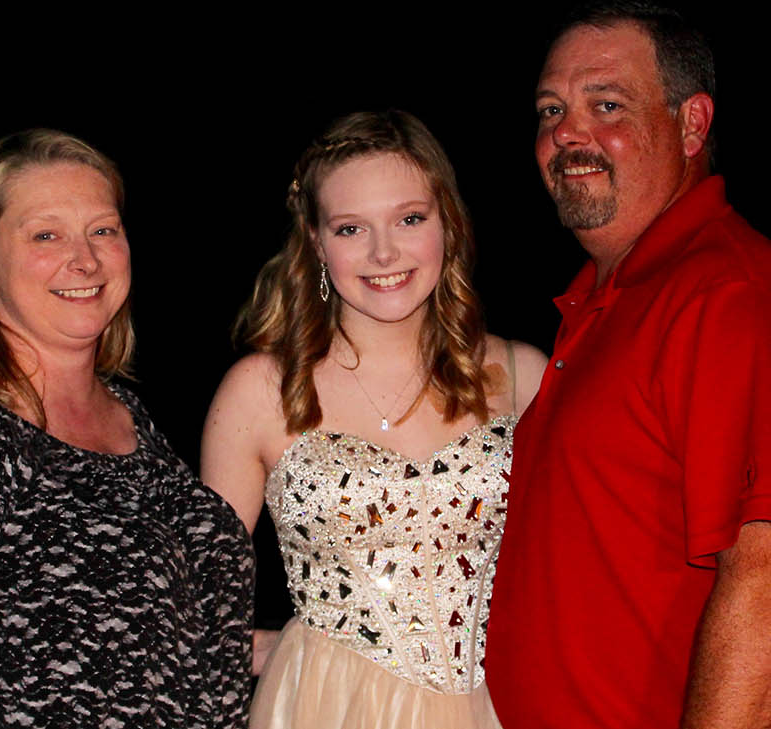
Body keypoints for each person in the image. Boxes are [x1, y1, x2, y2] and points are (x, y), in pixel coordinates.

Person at [484, 4, 771, 729]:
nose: (567, 130)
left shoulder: (734, 296)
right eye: (551, 109)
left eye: (607, 104)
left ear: (692, 125)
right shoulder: (601, 308)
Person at [0, 129, 254, 729]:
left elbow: (167, 644)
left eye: (103, 230)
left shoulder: (132, 420)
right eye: (46, 234)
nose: (84, 259)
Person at [202, 110, 546, 729]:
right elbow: (199, 603)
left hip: (503, 704)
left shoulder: (526, 377)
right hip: (323, 709)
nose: (384, 251)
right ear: (314, 241)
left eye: (410, 219)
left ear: (448, 222)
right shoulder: (259, 391)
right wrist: (286, 651)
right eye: (351, 228)